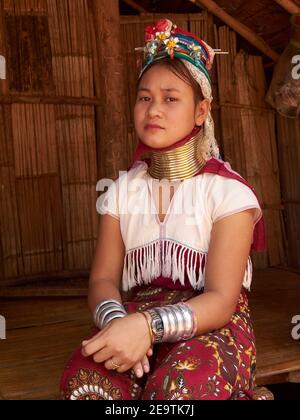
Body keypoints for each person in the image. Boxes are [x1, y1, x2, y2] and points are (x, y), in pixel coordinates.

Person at [60, 18, 267, 400]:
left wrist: (147, 328)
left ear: (201, 111)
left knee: (180, 389)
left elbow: (222, 300)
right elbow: (103, 280)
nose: (154, 109)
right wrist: (119, 325)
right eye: (144, 97)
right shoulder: (122, 191)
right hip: (131, 319)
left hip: (212, 324)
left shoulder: (228, 194)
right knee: (87, 384)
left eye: (171, 98)